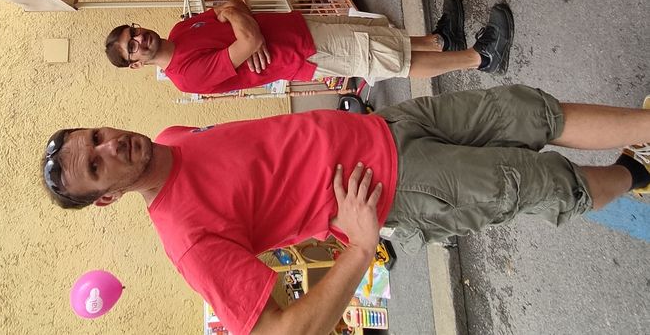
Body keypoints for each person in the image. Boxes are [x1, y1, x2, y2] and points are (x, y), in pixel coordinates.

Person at [41, 86, 650, 335]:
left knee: (528, 111)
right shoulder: (188, 241)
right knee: (543, 182)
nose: (110, 146)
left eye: (96, 136)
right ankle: (637, 172)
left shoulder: (171, 136)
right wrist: (360, 249)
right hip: (403, 187)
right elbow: (280, 333)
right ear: (107, 197)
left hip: (391, 125)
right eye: (96, 165)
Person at [103, 0, 513, 94]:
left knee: (376, 38)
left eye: (132, 31)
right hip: (304, 55)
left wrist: (232, 13)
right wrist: (239, 22)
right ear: (136, 64)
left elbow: (234, 6)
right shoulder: (186, 77)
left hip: (297, 28)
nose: (139, 38)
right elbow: (248, 35)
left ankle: (440, 41)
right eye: (131, 47)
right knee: (384, 59)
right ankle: (480, 58)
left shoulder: (179, 31)